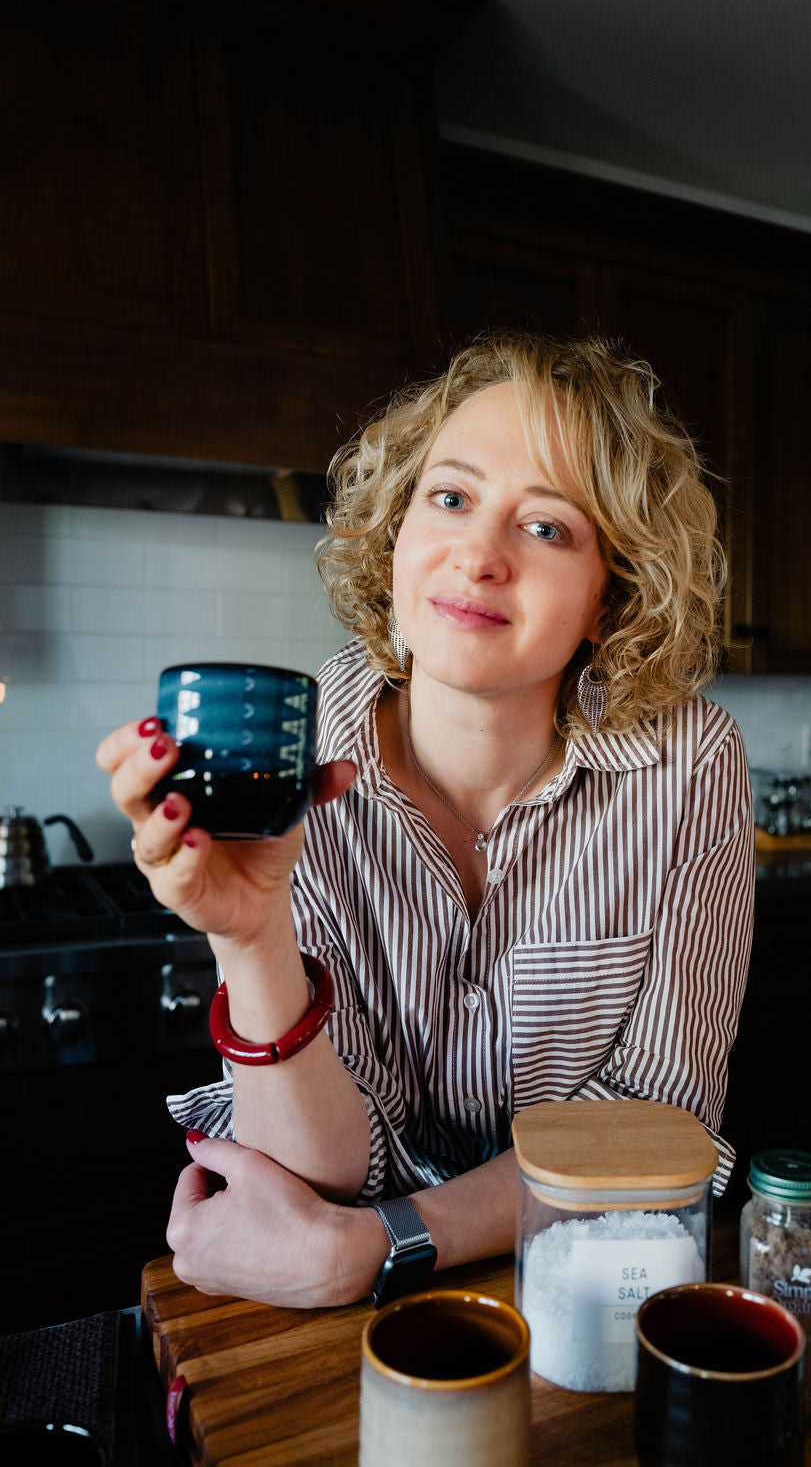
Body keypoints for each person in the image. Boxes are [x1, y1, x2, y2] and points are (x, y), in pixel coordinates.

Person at [96, 332, 754, 1308]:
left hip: (581, 1300)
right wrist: (252, 936)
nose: (478, 555)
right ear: (396, 529)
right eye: (449, 498)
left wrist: (380, 1244)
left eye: (547, 527)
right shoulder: (292, 760)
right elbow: (320, 1174)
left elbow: (660, 1128)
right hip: (317, 1312)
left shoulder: (691, 760)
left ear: (611, 595)